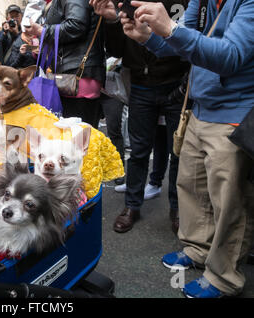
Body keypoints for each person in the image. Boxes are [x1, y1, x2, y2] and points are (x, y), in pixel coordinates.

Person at [111, 0, 254, 298]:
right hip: (200, 108)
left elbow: (231, 56)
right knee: (192, 186)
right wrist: (147, 36)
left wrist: (171, 28)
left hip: (234, 116)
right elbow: (179, 47)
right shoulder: (200, 1)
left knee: (230, 204)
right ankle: (198, 249)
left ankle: (224, 276)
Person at [90, 0, 188, 234]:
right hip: (141, 86)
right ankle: (132, 206)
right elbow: (116, 50)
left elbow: (188, 41)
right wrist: (112, 20)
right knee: (138, 150)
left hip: (176, 82)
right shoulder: (126, 2)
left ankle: (177, 209)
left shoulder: (183, 3)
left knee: (179, 151)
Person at [25, 0, 106, 129]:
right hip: (74, 76)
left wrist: (43, 31)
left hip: (76, 78)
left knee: (77, 141)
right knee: (76, 141)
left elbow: (76, 25)